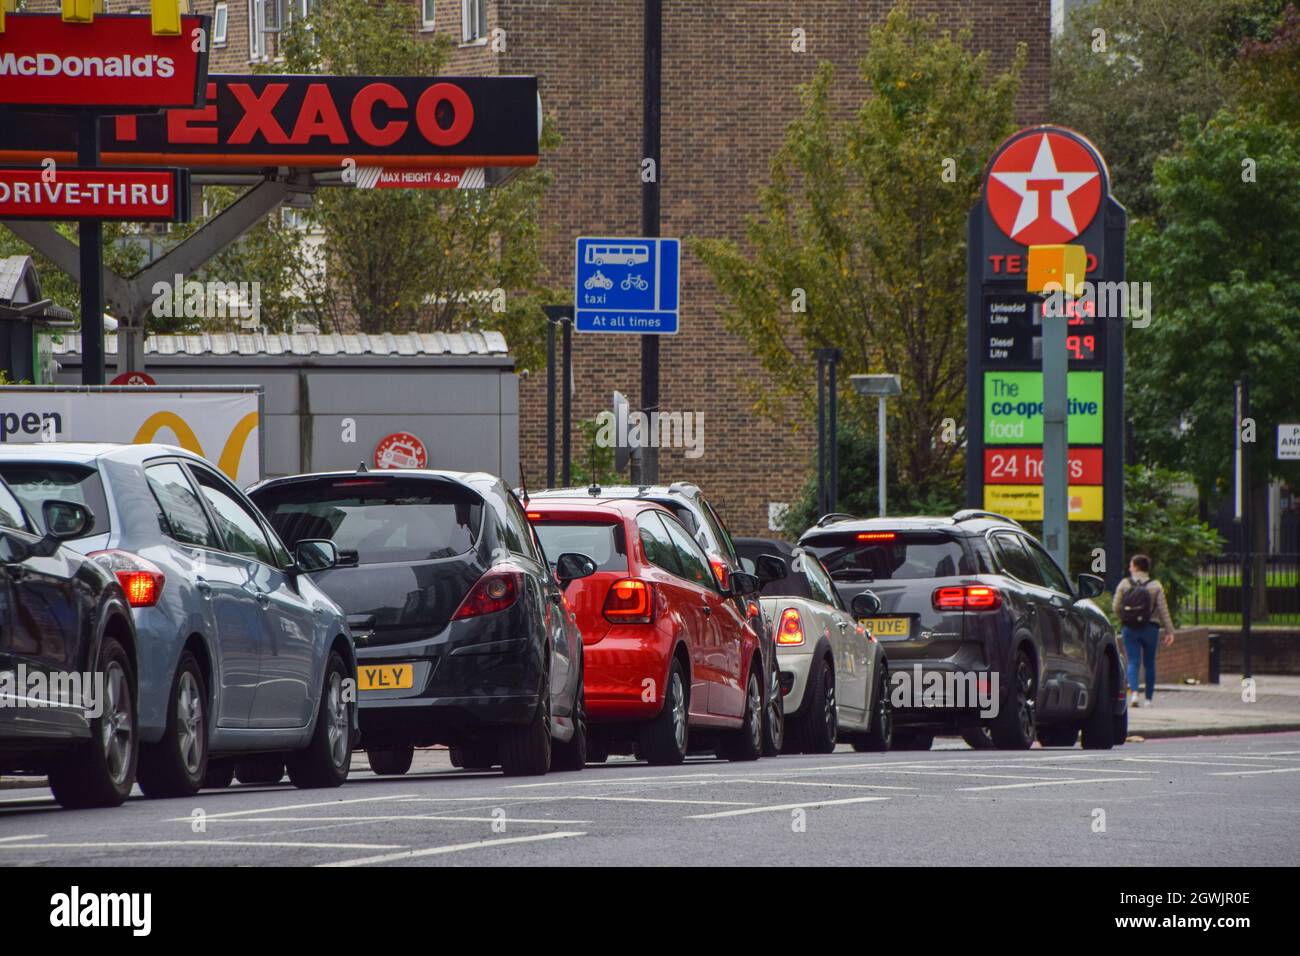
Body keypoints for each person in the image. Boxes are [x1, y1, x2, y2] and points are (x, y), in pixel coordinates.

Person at [1112, 554, 1176, 707]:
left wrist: (1126, 618)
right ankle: (1148, 699)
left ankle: (1134, 693)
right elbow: (1163, 610)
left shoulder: (1124, 584)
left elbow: (1115, 606)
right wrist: (1170, 630)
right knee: (1149, 663)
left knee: (1133, 661)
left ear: (1135, 567)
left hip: (1130, 628)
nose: (1129, 568)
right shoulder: (1156, 586)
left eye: (1131, 565)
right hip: (1150, 628)